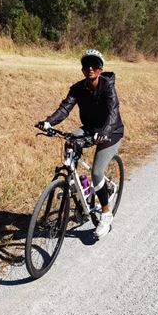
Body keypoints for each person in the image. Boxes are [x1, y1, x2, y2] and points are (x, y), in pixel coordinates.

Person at [36, 49, 124, 239]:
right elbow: (64, 108)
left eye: (94, 65)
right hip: (90, 128)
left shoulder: (107, 86)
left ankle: (106, 215)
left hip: (111, 132)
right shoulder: (78, 88)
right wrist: (49, 122)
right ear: (83, 69)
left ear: (100, 69)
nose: (90, 68)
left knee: (97, 172)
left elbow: (113, 112)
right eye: (86, 65)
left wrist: (105, 132)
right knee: (70, 141)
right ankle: (79, 186)